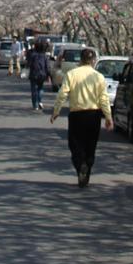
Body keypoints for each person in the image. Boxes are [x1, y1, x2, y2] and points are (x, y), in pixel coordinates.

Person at [49, 47, 113, 186]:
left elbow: (62, 94)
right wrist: (108, 117)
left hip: (76, 114)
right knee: (91, 145)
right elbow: (104, 98)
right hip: (93, 115)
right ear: (93, 60)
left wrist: (56, 111)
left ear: (80, 59)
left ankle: (80, 166)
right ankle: (87, 168)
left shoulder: (72, 74)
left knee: (75, 144)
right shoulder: (98, 76)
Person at [28, 39, 52, 111]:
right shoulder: (44, 56)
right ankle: (40, 101)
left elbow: (29, 64)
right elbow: (47, 66)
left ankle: (35, 105)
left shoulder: (33, 55)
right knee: (40, 88)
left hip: (33, 74)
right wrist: (49, 75)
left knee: (34, 90)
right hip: (42, 75)